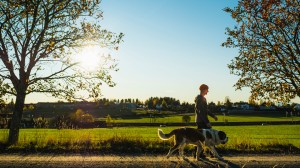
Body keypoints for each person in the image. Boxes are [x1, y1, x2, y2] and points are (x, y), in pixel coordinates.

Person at [194, 84, 218, 158]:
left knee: (200, 137)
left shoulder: (201, 98)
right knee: (210, 136)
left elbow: (205, 110)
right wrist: (207, 122)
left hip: (200, 120)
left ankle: (199, 154)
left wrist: (213, 116)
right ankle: (212, 153)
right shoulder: (200, 99)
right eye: (207, 89)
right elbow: (201, 112)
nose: (208, 91)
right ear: (204, 90)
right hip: (202, 121)